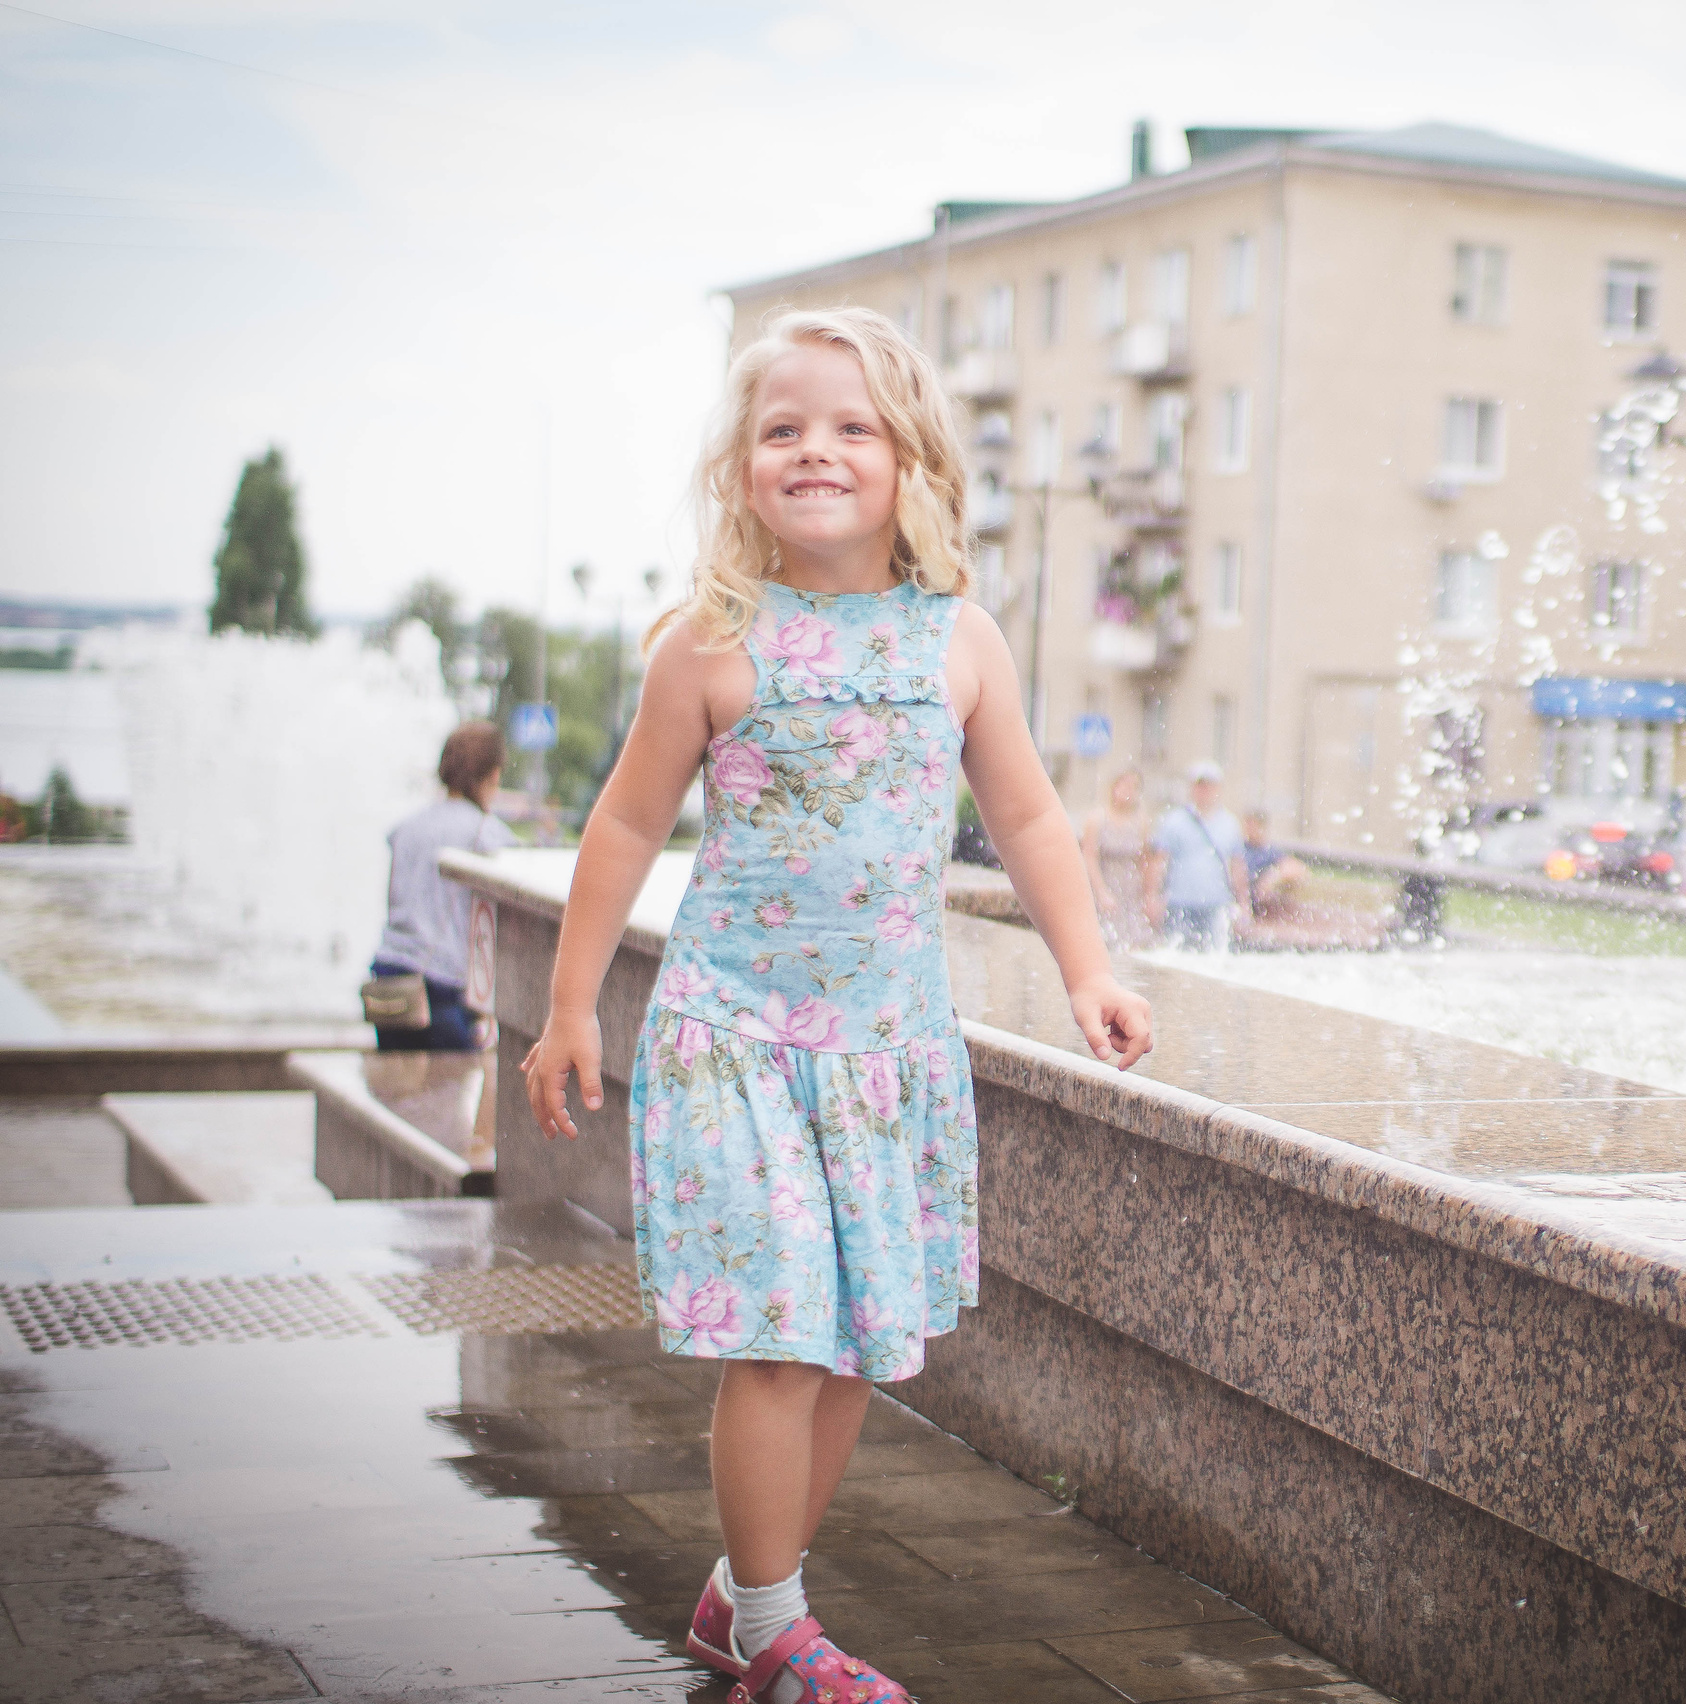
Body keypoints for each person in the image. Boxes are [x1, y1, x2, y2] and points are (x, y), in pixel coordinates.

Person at [519, 307, 1152, 1704]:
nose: (817, 450)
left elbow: (1032, 815)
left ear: (911, 458)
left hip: (886, 1052)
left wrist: (1089, 968)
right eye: (784, 428)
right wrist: (571, 1009)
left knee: (862, 1337)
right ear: (743, 467)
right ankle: (776, 1635)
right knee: (783, 1335)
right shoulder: (710, 641)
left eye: (851, 426)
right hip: (735, 1044)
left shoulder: (957, 638)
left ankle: (746, 1595)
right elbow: (624, 831)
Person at [370, 722, 514, 1052]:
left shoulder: (406, 828)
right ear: (491, 775)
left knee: (397, 1090)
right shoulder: (487, 834)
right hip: (440, 984)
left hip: (390, 978)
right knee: (447, 1089)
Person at [1145, 761, 1247, 949]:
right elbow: (1159, 861)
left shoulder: (1230, 824)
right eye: (1200, 785)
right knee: (1177, 955)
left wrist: (1243, 903)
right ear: (1192, 788)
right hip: (1179, 904)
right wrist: (1152, 896)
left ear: (1218, 789)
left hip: (1216, 904)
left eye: (1210, 785)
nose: (1205, 790)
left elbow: (1237, 866)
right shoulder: (1174, 821)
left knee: (1215, 955)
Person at [1080, 766, 1151, 947]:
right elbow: (1089, 857)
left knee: (1133, 941)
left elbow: (1145, 860)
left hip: (1130, 889)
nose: (1127, 791)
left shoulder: (1141, 821)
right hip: (1105, 882)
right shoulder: (1097, 819)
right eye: (1124, 785)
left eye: (1133, 787)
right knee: (1103, 939)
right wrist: (1101, 892)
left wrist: (1148, 895)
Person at [1238, 808, 1308, 918]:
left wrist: (1271, 878)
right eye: (1247, 825)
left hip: (1259, 904)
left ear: (1262, 828)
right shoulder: (1239, 848)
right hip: (1239, 902)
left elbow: (1297, 869)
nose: (1249, 829)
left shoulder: (1269, 852)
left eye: (1253, 825)